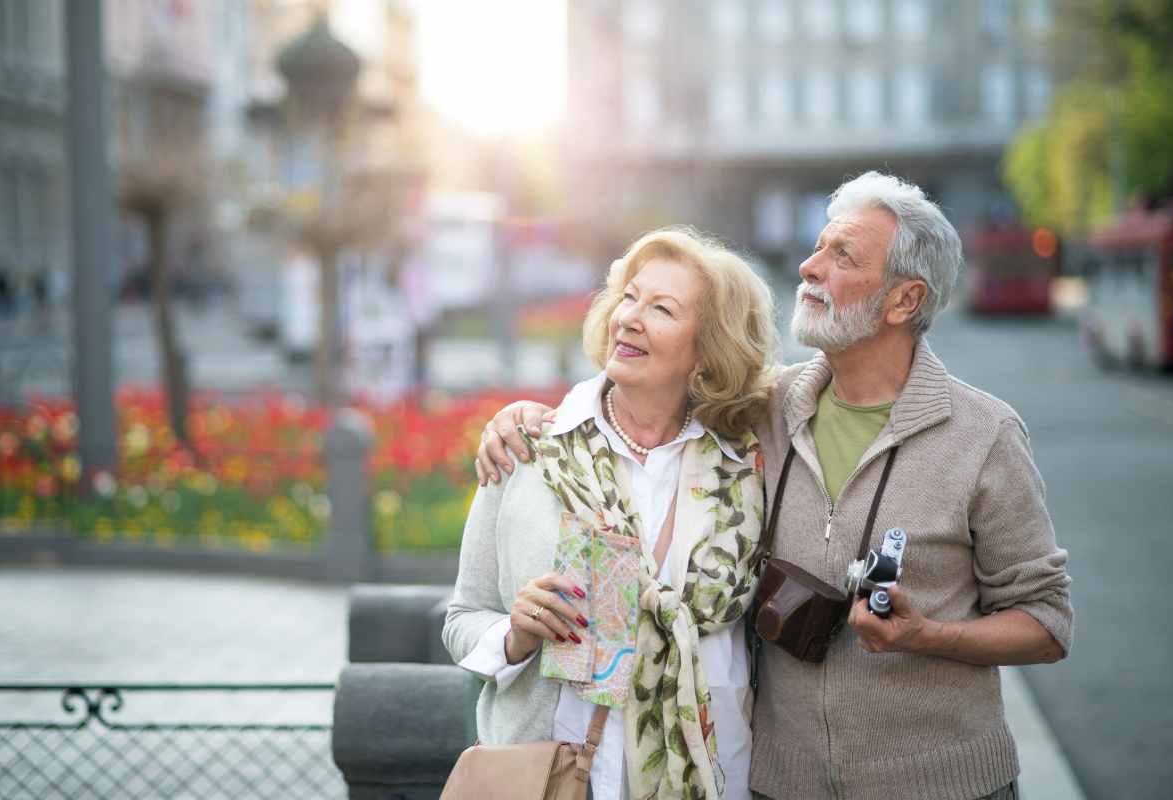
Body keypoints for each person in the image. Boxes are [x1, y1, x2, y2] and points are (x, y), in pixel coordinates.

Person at [475, 172, 1073, 800]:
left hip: (943, 787)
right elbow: (643, 403)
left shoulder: (984, 435)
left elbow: (1047, 622)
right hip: (784, 785)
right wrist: (523, 417)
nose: (810, 267)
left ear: (903, 301)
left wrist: (929, 636)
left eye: (842, 256)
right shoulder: (763, 410)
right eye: (819, 246)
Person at [444, 227, 780, 800]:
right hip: (561, 775)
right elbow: (462, 617)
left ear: (707, 348)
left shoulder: (748, 467)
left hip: (715, 773)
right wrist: (515, 635)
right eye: (629, 297)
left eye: (661, 308)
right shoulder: (530, 451)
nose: (630, 317)